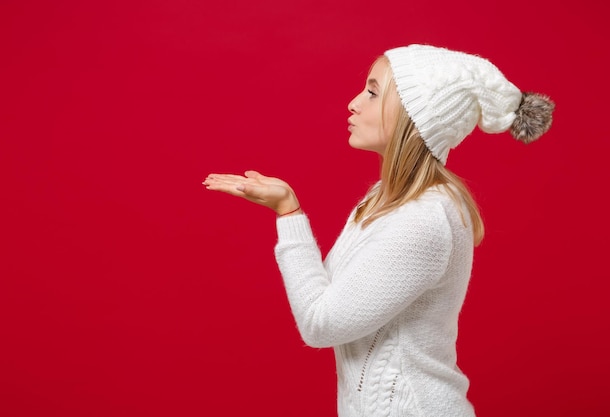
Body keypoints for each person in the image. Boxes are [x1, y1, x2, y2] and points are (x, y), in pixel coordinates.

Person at [202, 44, 554, 417]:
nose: (354, 103)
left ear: (413, 116)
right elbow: (336, 298)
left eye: (372, 92)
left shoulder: (423, 219)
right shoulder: (385, 199)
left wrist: (288, 213)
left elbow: (320, 324)